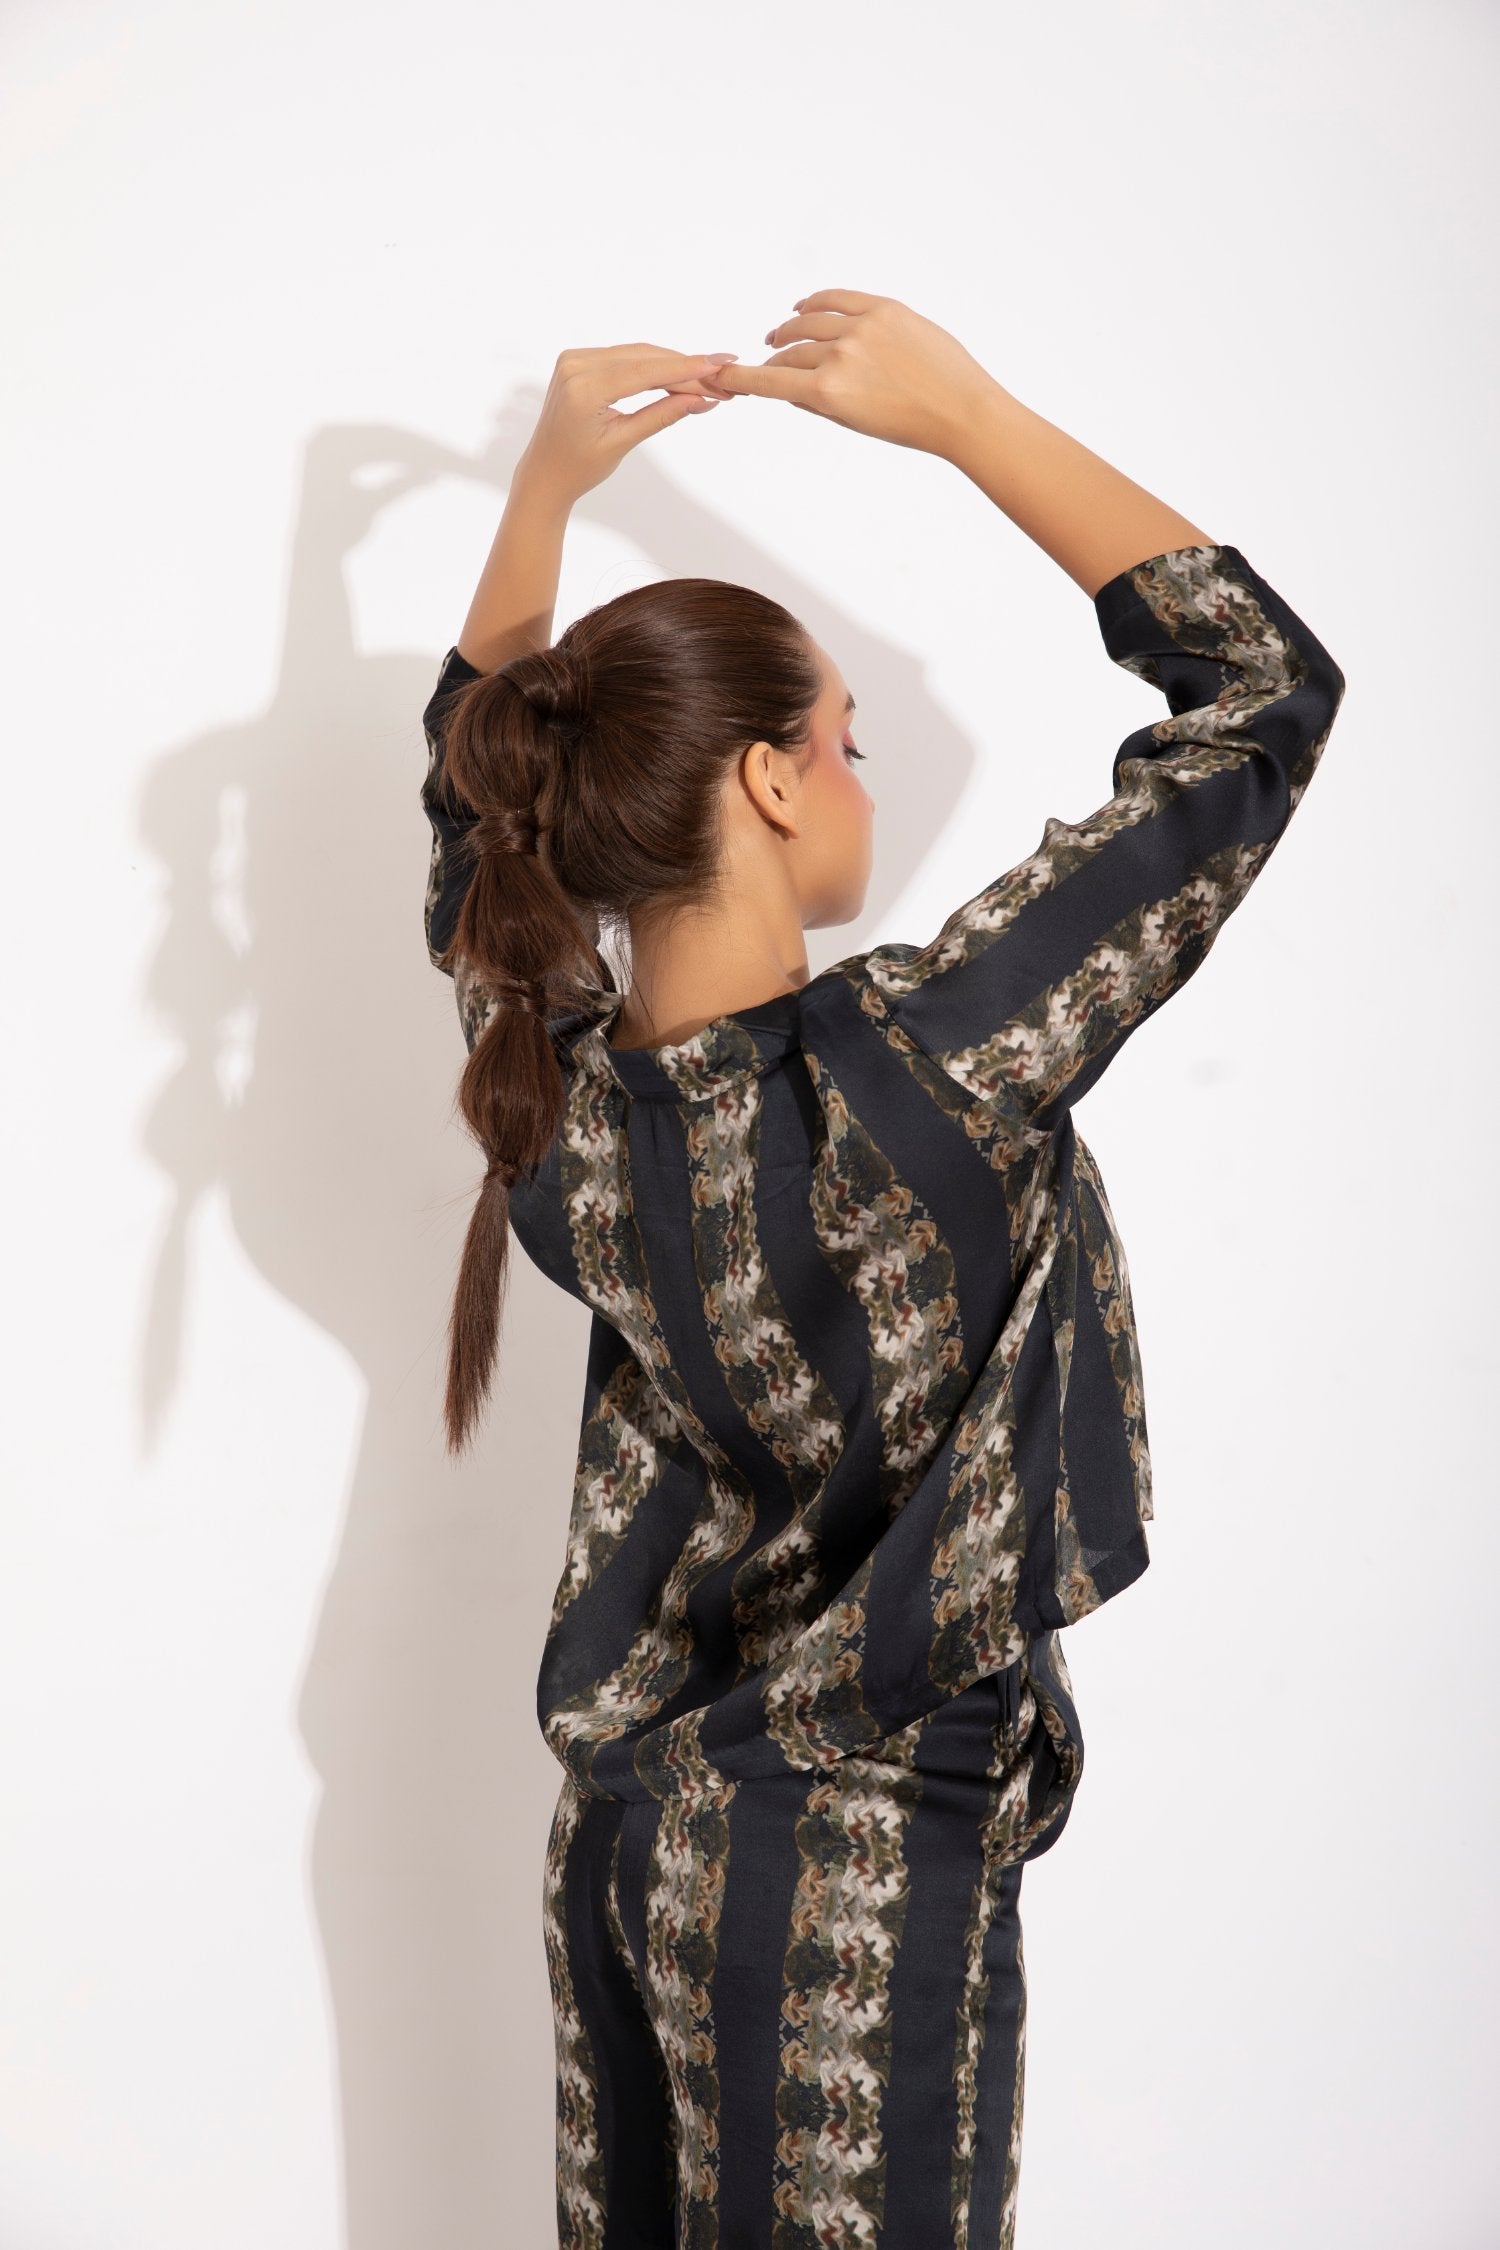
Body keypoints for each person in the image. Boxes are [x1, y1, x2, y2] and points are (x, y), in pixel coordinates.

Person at [417, 291, 1345, 2250]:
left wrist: (542, 495)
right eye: (844, 737)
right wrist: (965, 415)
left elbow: (471, 834)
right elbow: (1263, 696)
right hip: (852, 1881)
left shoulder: (560, 1119)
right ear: (766, 784)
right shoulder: (931, 1061)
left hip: (621, 1862)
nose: (862, 770)